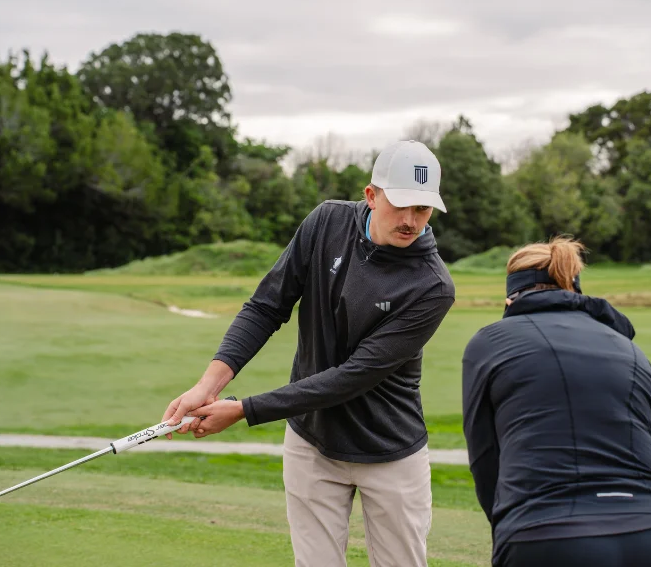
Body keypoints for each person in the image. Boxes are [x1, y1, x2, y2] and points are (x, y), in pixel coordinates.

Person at [162, 139, 455, 567]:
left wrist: (243, 409)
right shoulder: (326, 223)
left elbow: (352, 376)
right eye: (402, 205)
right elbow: (266, 306)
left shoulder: (433, 286)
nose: (411, 221)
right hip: (311, 443)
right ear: (371, 196)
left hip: (390, 453)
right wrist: (208, 385)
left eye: (423, 209)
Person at [461, 236, 651, 567]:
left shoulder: (490, 342)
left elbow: (486, 459)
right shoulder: (630, 349)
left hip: (548, 535)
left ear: (511, 299)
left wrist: (507, 529)